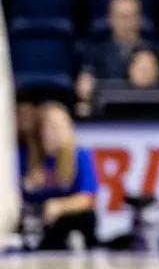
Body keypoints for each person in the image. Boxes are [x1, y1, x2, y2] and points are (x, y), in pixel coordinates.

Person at [20, 102, 100, 250]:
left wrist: (59, 205)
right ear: (40, 130)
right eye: (51, 127)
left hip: (64, 219)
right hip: (33, 220)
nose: (57, 132)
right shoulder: (24, 156)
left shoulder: (80, 155)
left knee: (85, 219)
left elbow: (87, 198)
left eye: (62, 126)